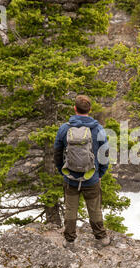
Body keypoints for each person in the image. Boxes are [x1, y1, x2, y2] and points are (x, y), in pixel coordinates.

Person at [54, 95, 110, 249]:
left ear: (75, 108)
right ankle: (101, 238)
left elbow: (57, 153)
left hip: (71, 177)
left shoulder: (64, 128)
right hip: (92, 176)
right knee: (94, 208)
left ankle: (69, 241)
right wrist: (100, 174)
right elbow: (105, 154)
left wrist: (62, 171)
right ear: (89, 110)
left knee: (71, 208)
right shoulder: (98, 128)